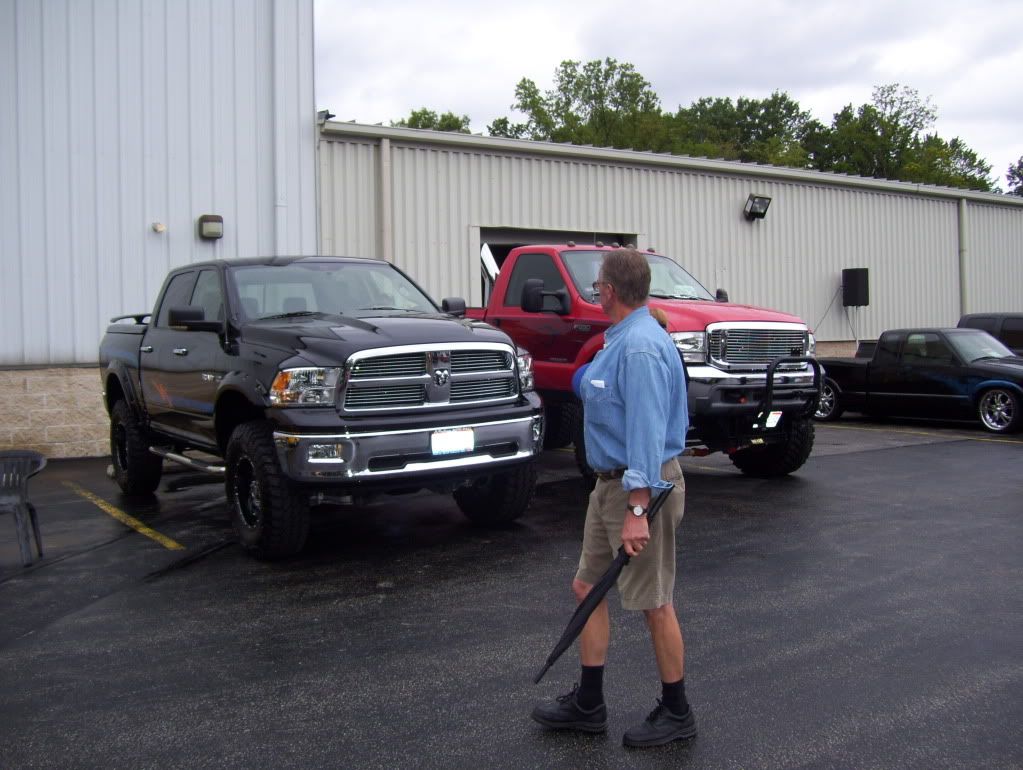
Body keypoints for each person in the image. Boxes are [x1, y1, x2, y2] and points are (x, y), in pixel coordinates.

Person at [531, 248, 693, 748]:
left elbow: (645, 432)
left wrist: (639, 510)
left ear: (609, 291)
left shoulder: (641, 347)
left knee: (654, 603)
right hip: (609, 486)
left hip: (640, 489)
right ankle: (589, 703)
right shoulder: (623, 338)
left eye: (598, 284)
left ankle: (677, 710)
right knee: (588, 588)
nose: (596, 290)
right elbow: (597, 386)